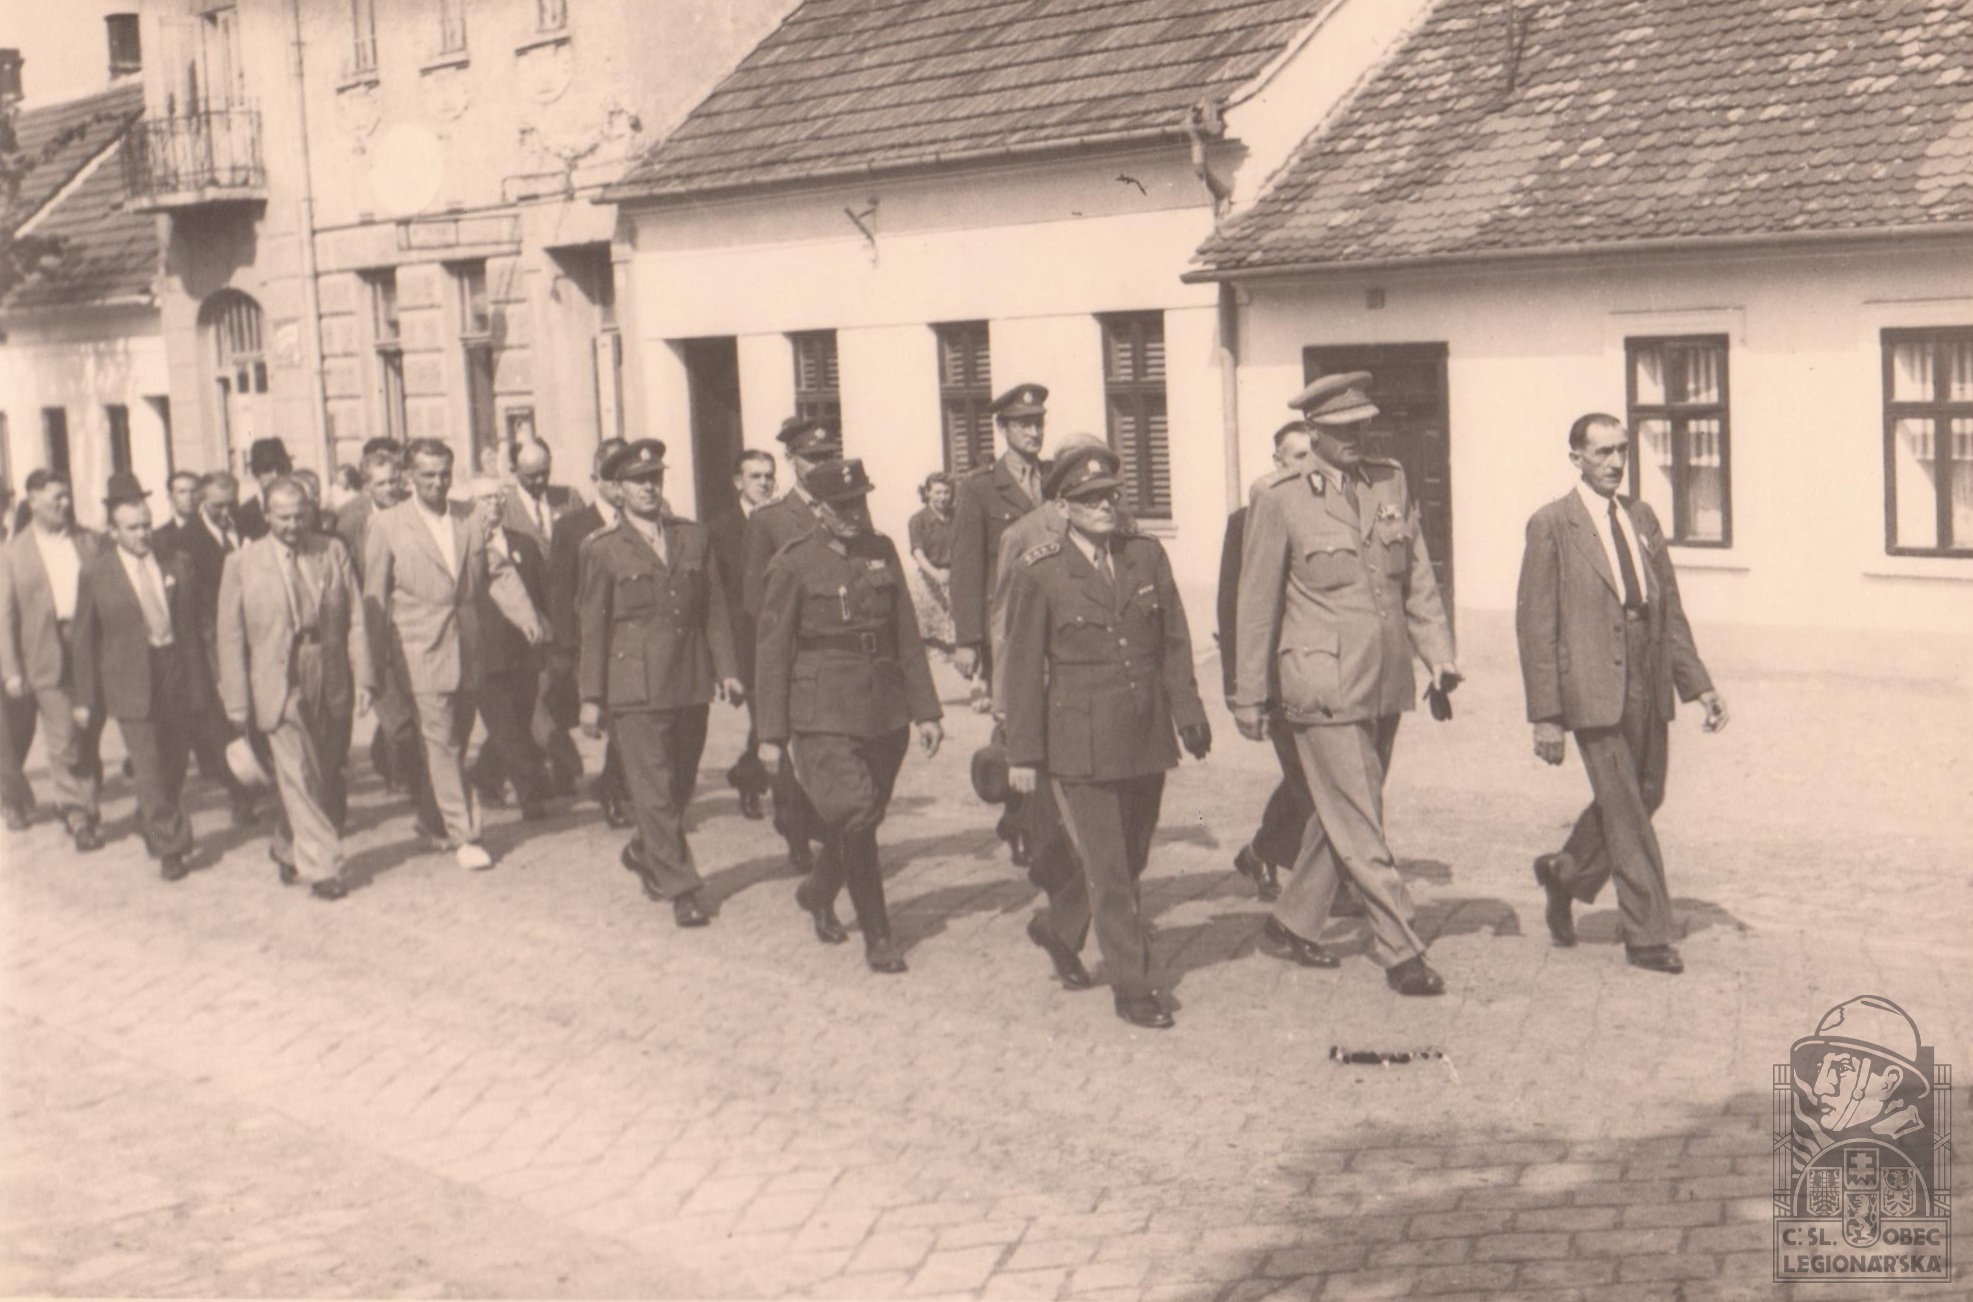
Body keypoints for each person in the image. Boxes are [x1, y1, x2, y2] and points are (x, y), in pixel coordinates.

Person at [1232, 372, 1460, 997]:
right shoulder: (1279, 498)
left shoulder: (1390, 480)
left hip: (1384, 679)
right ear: (1313, 432)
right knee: (1361, 819)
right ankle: (1400, 949)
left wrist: (1438, 655)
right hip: (1320, 684)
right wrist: (1249, 696)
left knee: (1343, 812)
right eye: (1340, 429)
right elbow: (1255, 606)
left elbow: (1415, 576)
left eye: (1362, 424)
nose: (1355, 436)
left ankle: (1289, 923)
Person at [1003, 447, 1210, 1030]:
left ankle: (1057, 926)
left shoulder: (1145, 556)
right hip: (1081, 741)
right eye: (1089, 499)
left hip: (1145, 732)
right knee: (1112, 870)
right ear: (1063, 507)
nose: (1104, 506)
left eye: (1110, 496)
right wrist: (1023, 754)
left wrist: (1188, 711)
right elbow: (1022, 669)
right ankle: (1134, 986)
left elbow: (1173, 640)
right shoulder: (1040, 570)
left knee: (1130, 857)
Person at [1517, 412, 1726, 975]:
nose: (1614, 463)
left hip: (1647, 670)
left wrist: (1698, 685)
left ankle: (1565, 872)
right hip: (1591, 684)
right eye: (1602, 452)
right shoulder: (1552, 525)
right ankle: (1648, 932)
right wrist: (1546, 715)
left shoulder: (1641, 517)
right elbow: (1535, 627)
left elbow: (1668, 609)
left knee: (1647, 792)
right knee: (1627, 808)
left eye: (1622, 452)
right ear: (1576, 458)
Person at [755, 458, 943, 973]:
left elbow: (905, 633)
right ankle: (879, 936)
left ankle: (819, 889)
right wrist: (771, 734)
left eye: (859, 501)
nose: (854, 513)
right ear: (817, 509)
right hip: (823, 713)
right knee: (856, 814)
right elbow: (772, 652)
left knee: (862, 818)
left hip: (884, 709)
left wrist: (926, 711)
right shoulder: (794, 563)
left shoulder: (881, 550)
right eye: (841, 506)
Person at [577, 439, 745, 927]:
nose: (649, 488)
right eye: (637, 482)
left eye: (654, 479)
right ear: (618, 490)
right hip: (634, 686)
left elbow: (713, 610)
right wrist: (591, 697)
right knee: (653, 791)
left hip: (690, 679)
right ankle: (683, 889)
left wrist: (728, 670)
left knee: (680, 786)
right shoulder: (603, 549)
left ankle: (642, 850)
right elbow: (592, 628)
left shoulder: (692, 538)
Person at [363, 438, 546, 871]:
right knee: (441, 739)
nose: (437, 482)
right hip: (418, 649)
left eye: (444, 473)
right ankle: (467, 835)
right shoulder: (388, 525)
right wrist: (372, 664)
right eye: (427, 474)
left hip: (468, 646)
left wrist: (525, 614)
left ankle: (432, 819)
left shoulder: (469, 516)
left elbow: (496, 570)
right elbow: (375, 595)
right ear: (409, 477)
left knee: (454, 740)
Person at [217, 478, 374, 899]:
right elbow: (230, 639)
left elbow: (356, 618)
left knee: (320, 769)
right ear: (266, 515)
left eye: (300, 516)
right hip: (276, 678)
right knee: (298, 769)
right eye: (283, 517)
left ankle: (287, 846)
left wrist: (365, 678)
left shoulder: (331, 551)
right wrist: (236, 704)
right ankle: (324, 866)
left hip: (326, 667)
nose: (292, 525)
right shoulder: (241, 563)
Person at [69, 473, 207, 881]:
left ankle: (151, 818)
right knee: (147, 767)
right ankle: (170, 847)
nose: (143, 534)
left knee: (175, 763)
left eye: (146, 525)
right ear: (113, 532)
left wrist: (203, 682)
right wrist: (84, 698)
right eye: (132, 528)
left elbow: (195, 628)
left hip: (174, 671)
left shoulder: (176, 562)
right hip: (129, 680)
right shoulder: (97, 573)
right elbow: (83, 640)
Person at [741, 417, 843, 874]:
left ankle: (833, 830)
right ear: (791, 460)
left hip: (837, 656)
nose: (819, 465)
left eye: (826, 456)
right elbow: (755, 598)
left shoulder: (846, 505)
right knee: (787, 752)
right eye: (810, 457)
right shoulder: (770, 519)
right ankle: (796, 831)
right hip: (795, 655)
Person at [0, 470, 107, 850]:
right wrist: (11, 670)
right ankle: (78, 815)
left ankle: (85, 804)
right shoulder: (13, 554)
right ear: (32, 501)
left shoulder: (89, 541)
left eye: (66, 496)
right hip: (44, 653)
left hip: (89, 649)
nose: (64, 504)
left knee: (89, 733)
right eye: (55, 498)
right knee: (63, 738)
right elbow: (5, 616)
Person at [165, 471, 262, 829]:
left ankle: (257, 781)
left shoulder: (251, 527)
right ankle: (240, 796)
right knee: (226, 723)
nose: (226, 512)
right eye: (217, 506)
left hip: (257, 636)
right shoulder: (184, 541)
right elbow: (189, 607)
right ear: (202, 503)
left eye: (230, 504)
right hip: (211, 643)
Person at [950, 383, 1049, 711]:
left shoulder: (1056, 480)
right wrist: (967, 640)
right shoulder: (980, 487)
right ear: (1002, 428)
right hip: (1007, 621)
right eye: (1023, 424)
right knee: (1013, 715)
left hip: (1057, 617)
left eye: (1038, 423)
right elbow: (966, 568)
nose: (1034, 432)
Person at [548, 438, 630, 825]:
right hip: (593, 645)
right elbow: (561, 591)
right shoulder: (572, 527)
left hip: (638, 640)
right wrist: (566, 648)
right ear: (595, 479)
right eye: (610, 476)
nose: (619, 485)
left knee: (633, 724)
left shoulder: (649, 518)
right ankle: (613, 790)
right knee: (618, 723)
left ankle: (613, 784)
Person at [498, 438, 583, 797]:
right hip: (526, 623)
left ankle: (490, 773)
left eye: (544, 472)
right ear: (513, 471)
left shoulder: (569, 498)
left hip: (567, 619)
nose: (539, 481)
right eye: (530, 474)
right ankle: (562, 764)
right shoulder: (503, 507)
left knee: (559, 696)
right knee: (537, 698)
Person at [336, 441, 418, 795]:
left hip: (409, 627)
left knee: (413, 712)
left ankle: (403, 772)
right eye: (381, 483)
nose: (390, 489)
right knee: (397, 719)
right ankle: (401, 770)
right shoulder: (351, 521)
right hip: (372, 627)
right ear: (367, 486)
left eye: (393, 481)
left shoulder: (412, 510)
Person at [707, 448, 777, 820]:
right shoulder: (719, 530)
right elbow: (714, 598)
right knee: (766, 720)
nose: (764, 483)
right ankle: (754, 783)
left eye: (769, 475)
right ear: (739, 482)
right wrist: (723, 664)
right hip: (744, 643)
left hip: (779, 638)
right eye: (755, 476)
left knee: (775, 719)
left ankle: (747, 773)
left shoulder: (783, 521)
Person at [234, 437, 292, 541]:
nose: (275, 476)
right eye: (267, 470)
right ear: (256, 474)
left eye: (281, 468)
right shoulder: (243, 514)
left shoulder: (302, 507)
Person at [153, 471, 204, 556]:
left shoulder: (213, 529)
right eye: (182, 492)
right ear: (170, 497)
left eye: (193, 491)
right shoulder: (159, 537)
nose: (189, 497)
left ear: (201, 496)